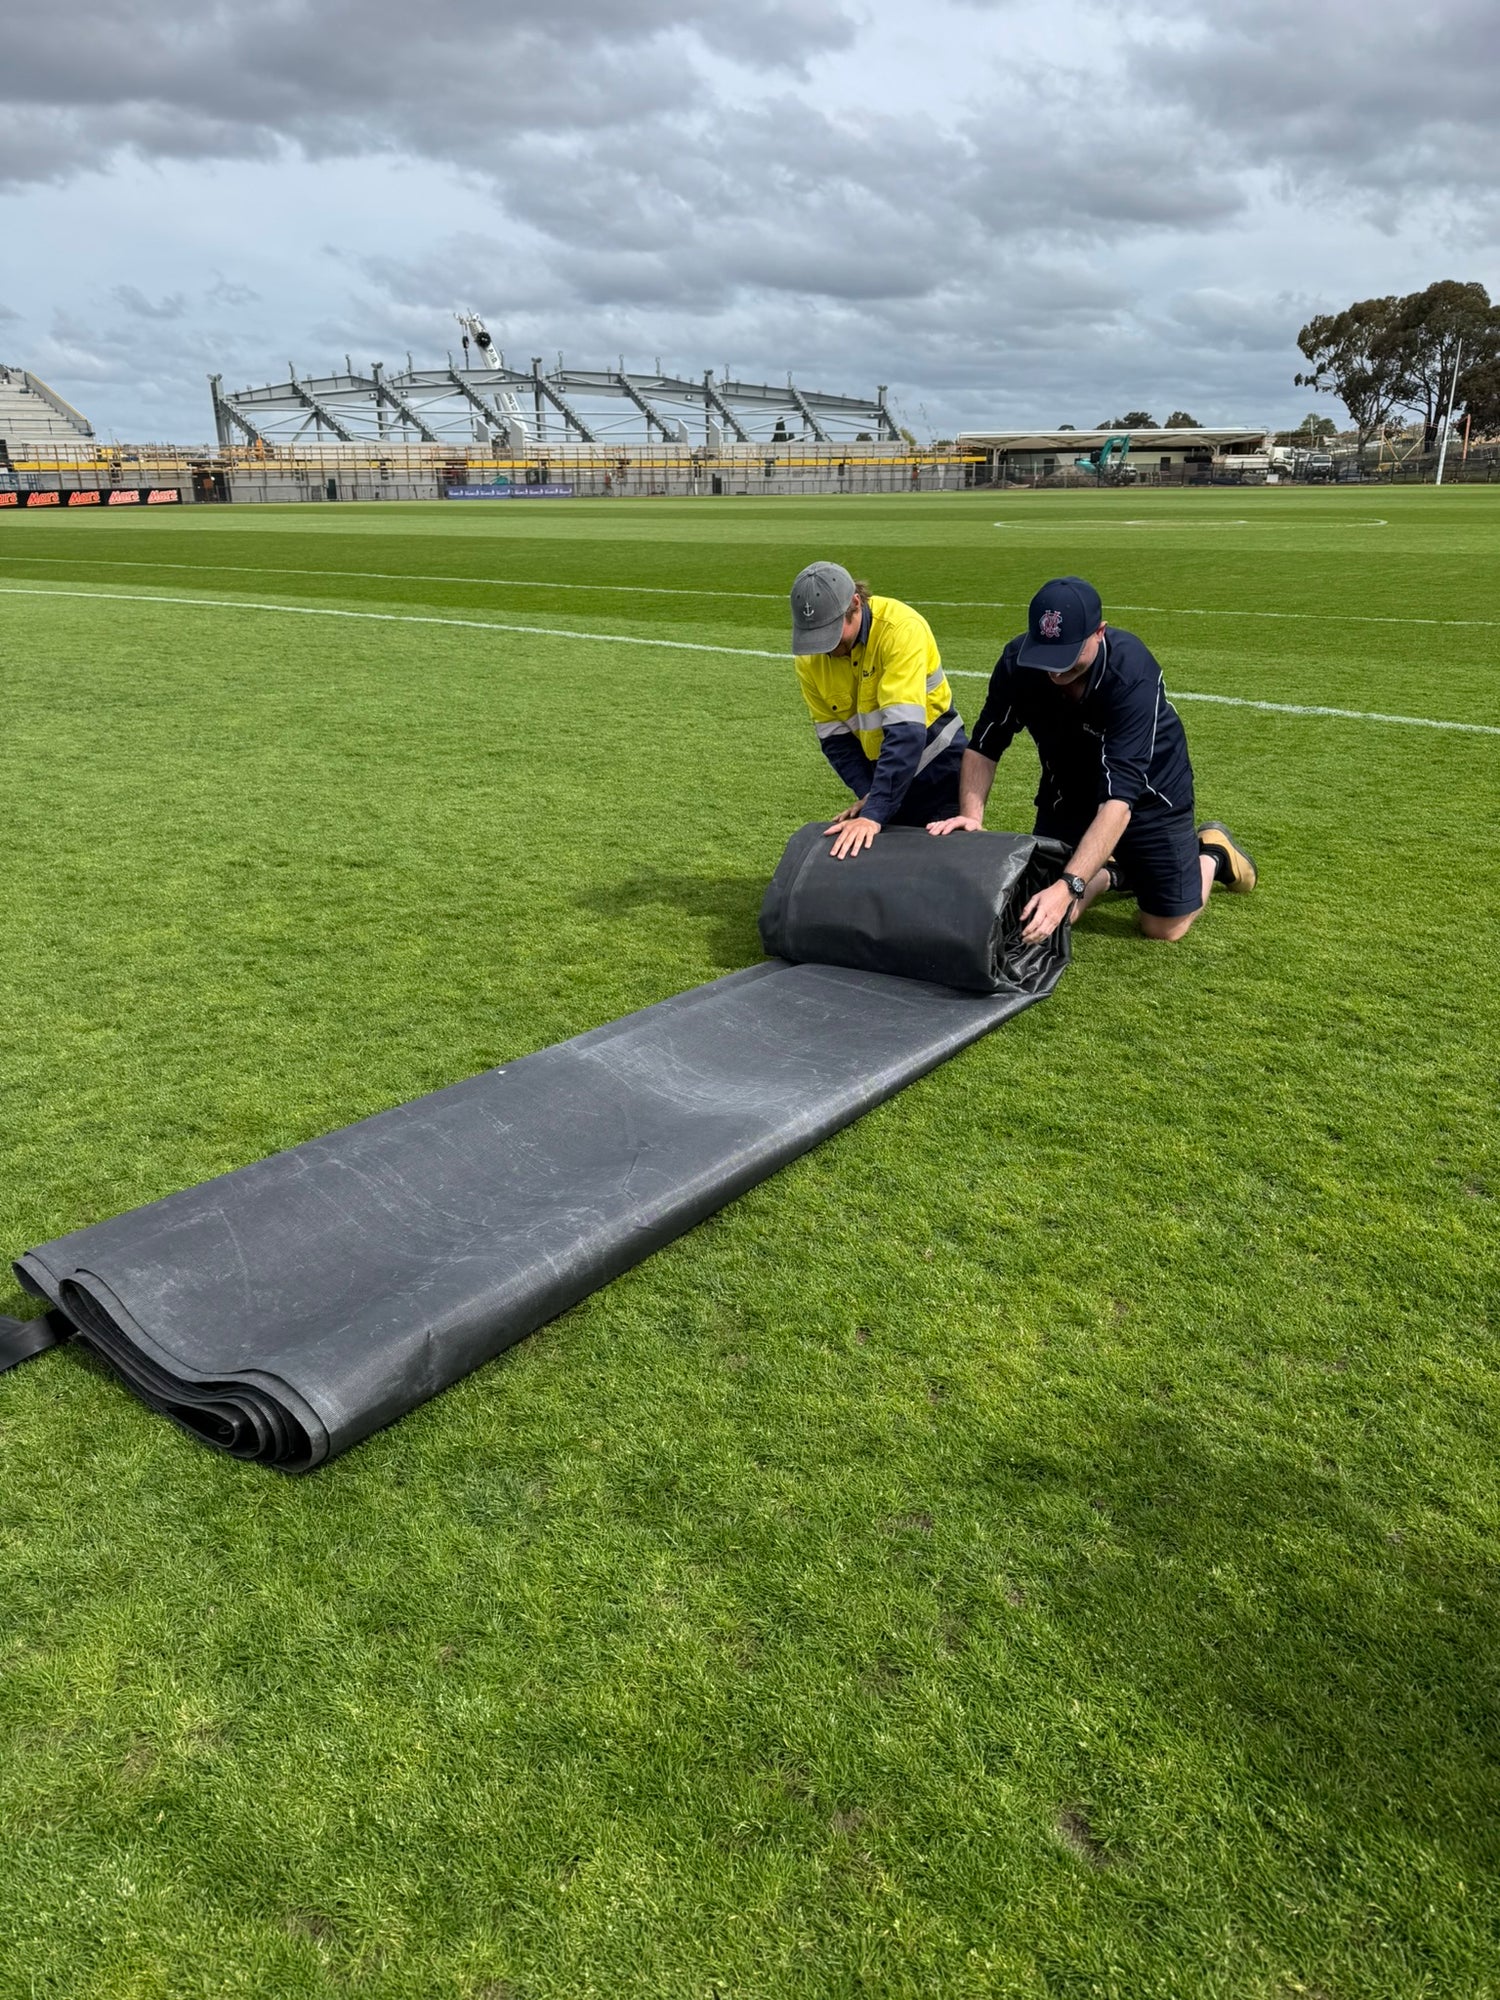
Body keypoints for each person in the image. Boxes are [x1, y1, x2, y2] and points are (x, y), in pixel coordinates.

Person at [929, 575, 1257, 942]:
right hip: (1067, 788)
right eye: (1047, 655)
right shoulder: (1016, 663)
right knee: (1040, 909)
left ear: (1099, 632)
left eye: (1068, 657)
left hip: (1148, 793)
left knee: (1164, 928)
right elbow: (984, 746)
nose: (1056, 670)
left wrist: (1070, 884)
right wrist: (972, 817)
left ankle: (1213, 852)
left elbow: (1120, 799)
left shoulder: (1131, 673)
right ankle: (1112, 870)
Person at [789, 561, 968, 860]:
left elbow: (906, 732)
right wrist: (870, 794)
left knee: (941, 868)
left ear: (855, 604)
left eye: (831, 632)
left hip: (936, 771)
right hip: (883, 775)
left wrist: (874, 812)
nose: (825, 647)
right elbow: (835, 740)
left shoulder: (901, 629)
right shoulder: (809, 658)